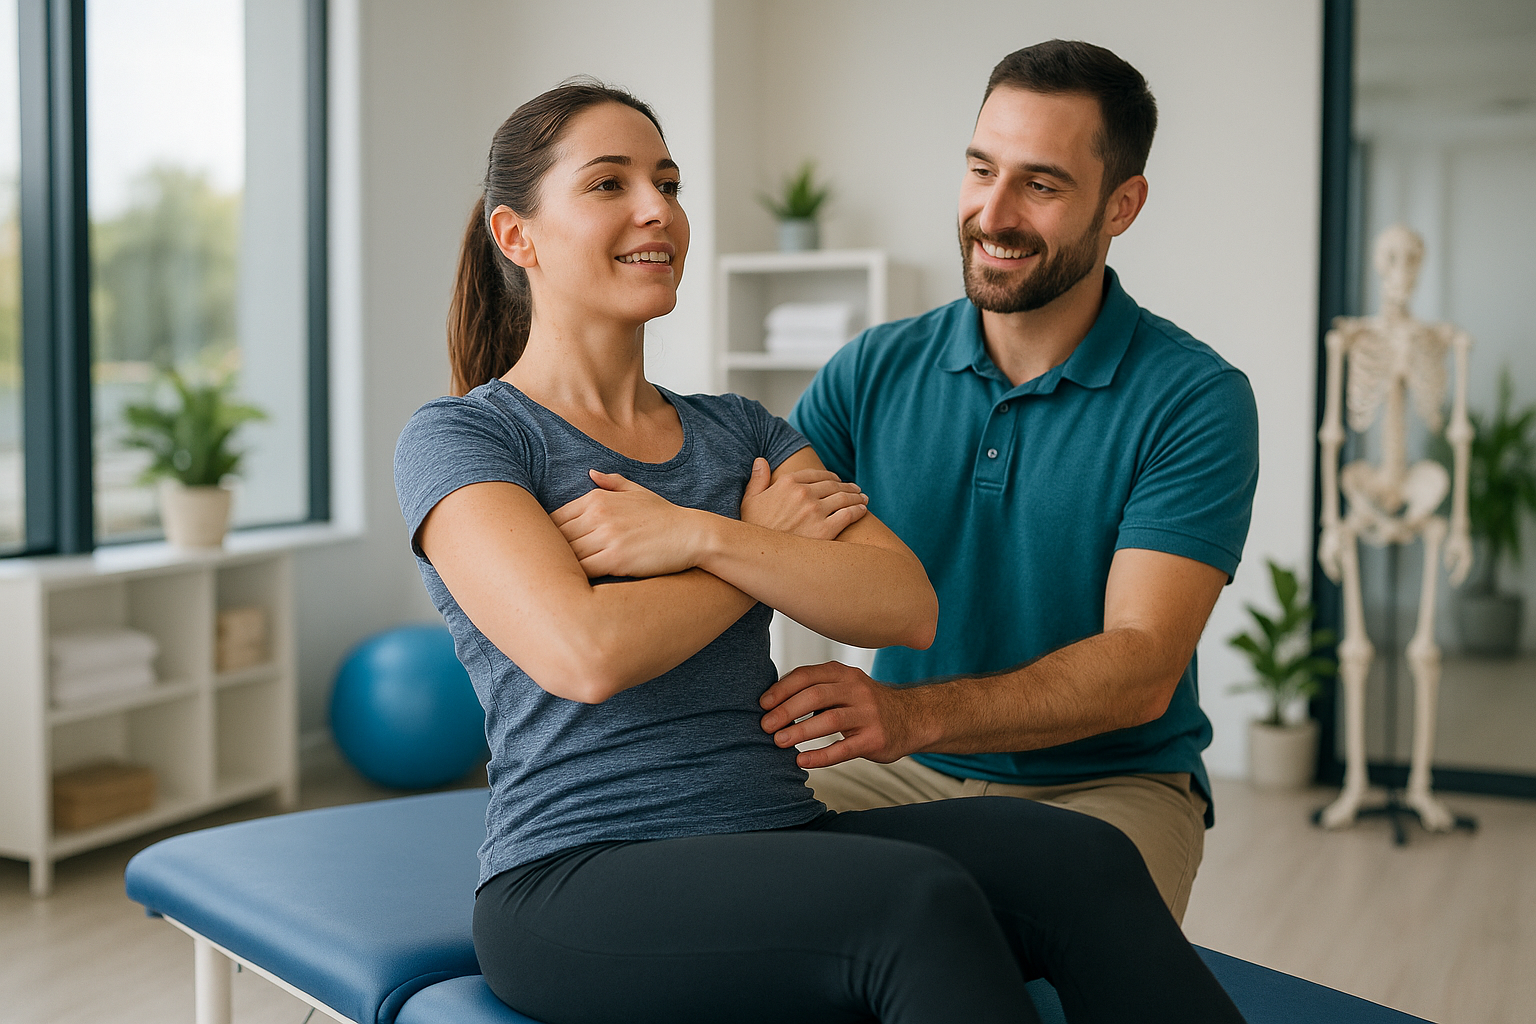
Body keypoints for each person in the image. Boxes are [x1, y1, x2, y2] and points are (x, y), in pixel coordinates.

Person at [395, 79, 1245, 1024]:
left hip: (775, 827)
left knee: (1076, 859)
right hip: (578, 870)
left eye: (667, 183)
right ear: (516, 236)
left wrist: (704, 534)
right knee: (915, 904)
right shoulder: (467, 438)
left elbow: (902, 603)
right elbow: (585, 652)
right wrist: (761, 546)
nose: (657, 209)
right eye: (609, 184)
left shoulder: (739, 431)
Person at [769, 39, 1261, 925]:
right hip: (893, 770)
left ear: (1122, 205)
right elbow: (761, 533)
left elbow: (1142, 666)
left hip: (1108, 785)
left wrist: (910, 714)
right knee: (738, 883)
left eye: (1040, 184)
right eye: (980, 169)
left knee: (1047, 952)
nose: (991, 214)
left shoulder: (1195, 398)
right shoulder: (872, 369)